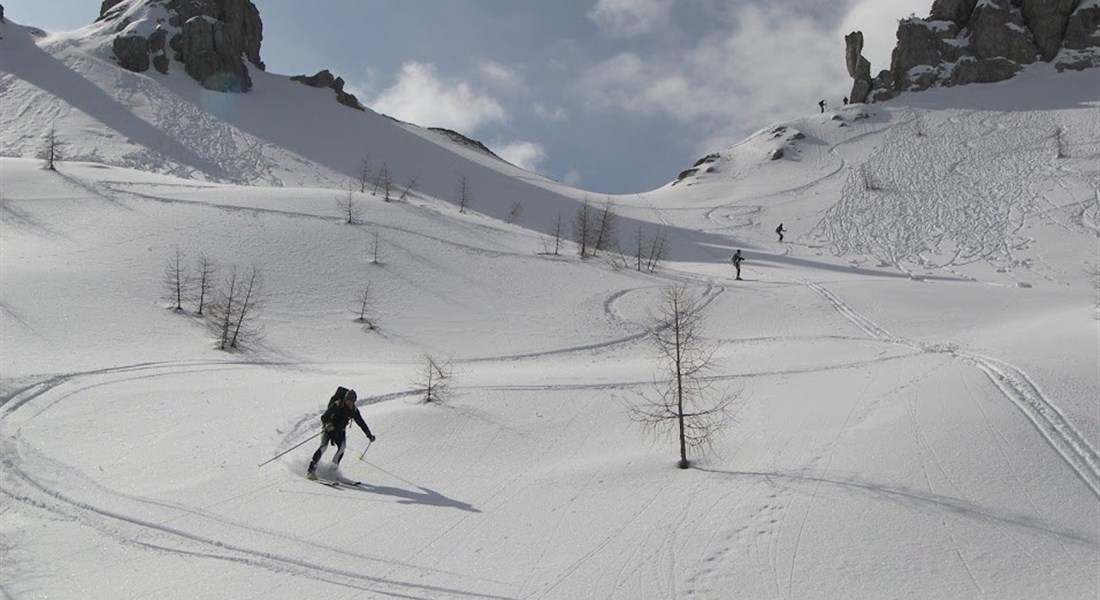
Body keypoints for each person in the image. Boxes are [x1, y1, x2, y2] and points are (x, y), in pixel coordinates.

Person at [307, 387, 375, 479]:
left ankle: (332, 472)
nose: (351, 403)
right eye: (349, 400)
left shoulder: (353, 410)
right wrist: (327, 424)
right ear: (345, 399)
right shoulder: (337, 404)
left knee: (342, 448)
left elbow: (361, 422)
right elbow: (324, 417)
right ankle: (311, 471)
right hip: (329, 429)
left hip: (340, 431)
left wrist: (369, 434)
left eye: (353, 401)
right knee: (323, 447)